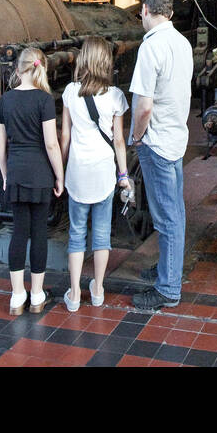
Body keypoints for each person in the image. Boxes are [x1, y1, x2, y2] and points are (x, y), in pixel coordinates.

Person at [128, 0, 195, 311]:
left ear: (145, 10)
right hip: (175, 139)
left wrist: (137, 137)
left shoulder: (151, 48)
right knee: (174, 213)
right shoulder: (182, 43)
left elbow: (143, 107)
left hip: (155, 143)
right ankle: (169, 269)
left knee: (167, 218)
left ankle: (168, 289)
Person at [59, 36, 130, 312]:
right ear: (106, 62)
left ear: (83, 59)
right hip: (103, 172)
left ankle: (75, 293)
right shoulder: (115, 96)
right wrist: (122, 173)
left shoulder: (69, 92)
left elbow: (65, 136)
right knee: (102, 234)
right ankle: (98, 289)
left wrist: (60, 171)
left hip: (77, 172)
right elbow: (119, 141)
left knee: (76, 234)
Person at [0, 47, 64, 315]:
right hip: (40, 175)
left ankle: (16, 296)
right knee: (38, 234)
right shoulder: (45, 100)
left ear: (17, 69)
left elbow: (0, 146)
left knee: (18, 233)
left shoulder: (6, 100)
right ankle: (36, 295)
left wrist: (5, 175)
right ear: (39, 68)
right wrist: (60, 176)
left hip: (16, 173)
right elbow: (51, 144)